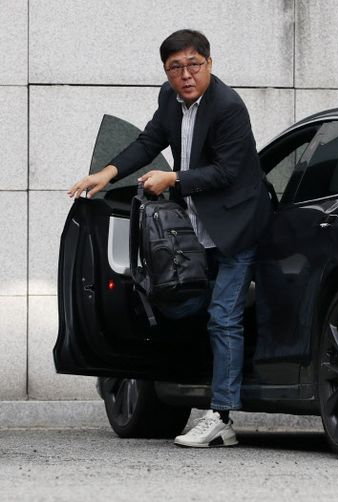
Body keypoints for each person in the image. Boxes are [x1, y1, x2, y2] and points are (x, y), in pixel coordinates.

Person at [68, 29, 272, 448]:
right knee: (178, 304)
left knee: (224, 316)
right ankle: (189, 391)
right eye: (175, 68)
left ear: (209, 64)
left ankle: (221, 416)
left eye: (194, 65)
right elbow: (148, 141)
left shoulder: (229, 108)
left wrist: (173, 178)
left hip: (235, 229)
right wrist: (106, 174)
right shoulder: (169, 98)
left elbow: (227, 172)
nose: (185, 75)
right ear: (166, 71)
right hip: (195, 230)